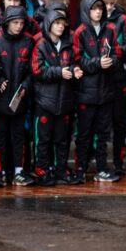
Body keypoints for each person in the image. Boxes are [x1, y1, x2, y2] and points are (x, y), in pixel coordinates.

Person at [73, 0, 121, 183]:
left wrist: (111, 62)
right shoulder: (80, 32)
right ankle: (80, 169)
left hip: (106, 91)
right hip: (86, 92)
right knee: (84, 134)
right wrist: (97, 63)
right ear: (86, 10)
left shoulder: (110, 29)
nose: (98, 12)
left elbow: (117, 54)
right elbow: (77, 60)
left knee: (103, 134)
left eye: (100, 8)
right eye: (94, 9)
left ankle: (102, 168)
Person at [32, 10, 83, 186]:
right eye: (57, 23)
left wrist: (75, 70)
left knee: (62, 139)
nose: (61, 26)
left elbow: (73, 63)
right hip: (45, 101)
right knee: (43, 139)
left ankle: (61, 169)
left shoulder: (68, 44)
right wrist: (60, 72)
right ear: (48, 25)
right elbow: (37, 70)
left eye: (63, 23)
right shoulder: (41, 45)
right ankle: (42, 170)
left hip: (65, 100)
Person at [0, 6, 36, 187]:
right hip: (0, 96)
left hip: (20, 97)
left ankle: (18, 171)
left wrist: (26, 86)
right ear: (7, 23)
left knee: (19, 136)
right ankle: (0, 173)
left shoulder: (29, 41)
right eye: (15, 22)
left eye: (22, 23)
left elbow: (33, 69)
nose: (18, 26)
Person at [100, 0, 126, 176]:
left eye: (111, 4)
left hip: (120, 77)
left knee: (119, 123)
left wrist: (115, 52)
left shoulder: (123, 19)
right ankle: (100, 163)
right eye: (105, 4)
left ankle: (118, 162)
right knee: (100, 124)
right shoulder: (93, 19)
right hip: (99, 78)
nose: (108, 9)